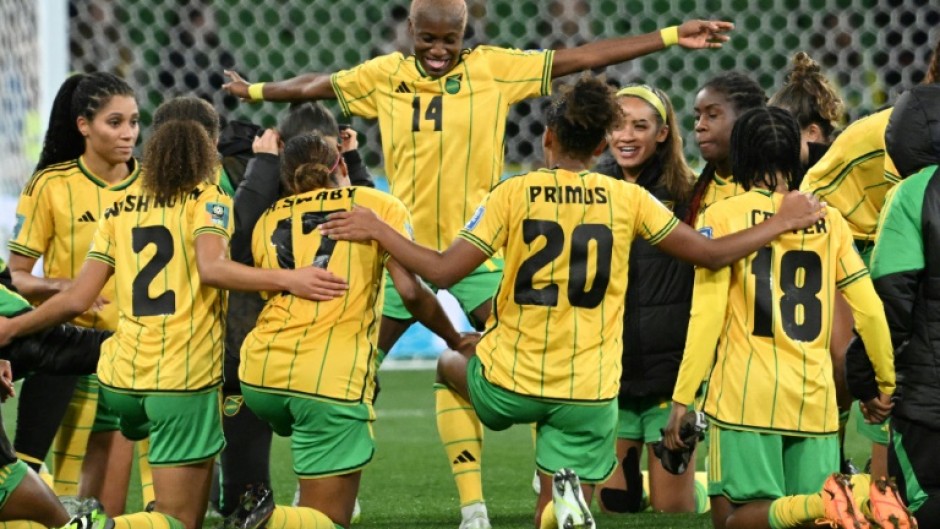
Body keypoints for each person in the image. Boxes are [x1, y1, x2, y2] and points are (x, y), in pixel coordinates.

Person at [224, 4, 734, 526]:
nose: (439, 49)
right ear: (411, 32)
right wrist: (258, 91)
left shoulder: (494, 69)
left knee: (522, 339)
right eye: (428, 39)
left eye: (450, 38)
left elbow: (579, 56)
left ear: (466, 33)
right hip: (401, 248)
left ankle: (530, 480)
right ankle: (435, 498)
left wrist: (670, 36)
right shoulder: (383, 75)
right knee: (354, 367)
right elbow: (315, 86)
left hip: (477, 254)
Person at [318, 74, 827, 529]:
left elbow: (440, 271)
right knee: (561, 499)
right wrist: (779, 221)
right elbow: (712, 256)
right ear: (604, 138)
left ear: (548, 138)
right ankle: (560, 501)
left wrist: (378, 228)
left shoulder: (513, 193)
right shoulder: (629, 200)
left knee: (453, 361)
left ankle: (475, 506)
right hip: (589, 391)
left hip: (511, 379)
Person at [0, 96, 346, 529]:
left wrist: (13, 327)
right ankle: (90, 526)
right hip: (180, 378)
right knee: (180, 520)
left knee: (163, 505)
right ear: (211, 145)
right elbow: (213, 267)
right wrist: (291, 279)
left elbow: (75, 299)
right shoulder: (209, 199)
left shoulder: (119, 206)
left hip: (122, 376)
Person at [664, 106, 911, 529]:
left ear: (740, 154)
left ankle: (831, 503)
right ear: (794, 158)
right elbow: (867, 307)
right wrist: (885, 383)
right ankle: (854, 499)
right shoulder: (826, 218)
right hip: (813, 399)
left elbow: (705, 318)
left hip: (744, 398)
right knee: (800, 518)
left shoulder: (722, 217)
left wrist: (682, 400)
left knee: (737, 518)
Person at [225, 132, 471, 529]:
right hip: (327, 378)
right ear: (340, 166)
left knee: (310, 461)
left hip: (260, 373)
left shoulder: (268, 219)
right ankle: (268, 519)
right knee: (328, 520)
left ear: (287, 179)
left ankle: (270, 512)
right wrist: (455, 338)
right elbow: (411, 292)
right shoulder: (376, 206)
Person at [216, 103, 369, 518]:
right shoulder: (363, 204)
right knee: (327, 518)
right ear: (339, 151)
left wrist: (262, 161)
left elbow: (237, 241)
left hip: (255, 357)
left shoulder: (258, 193)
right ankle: (307, 498)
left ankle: (246, 496)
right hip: (328, 363)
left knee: (241, 505)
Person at [7, 71, 148, 515]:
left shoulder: (155, 185)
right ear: (83, 125)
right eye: (115, 122)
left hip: (133, 354)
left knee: (107, 511)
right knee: (57, 500)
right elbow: (16, 277)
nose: (128, 134)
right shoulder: (51, 185)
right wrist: (64, 286)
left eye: (134, 122)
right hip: (72, 357)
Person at [591, 84, 702, 514]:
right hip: (609, 378)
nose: (626, 136)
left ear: (662, 132)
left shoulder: (691, 193)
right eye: (618, 124)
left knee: (672, 512)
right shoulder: (592, 189)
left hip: (668, 379)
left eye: (640, 125)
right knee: (617, 505)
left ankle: (698, 486)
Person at [866, 82, 940, 526]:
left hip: (927, 403)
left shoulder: (912, 193)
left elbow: (888, 300)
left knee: (922, 504)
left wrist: (867, 379)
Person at [686, 72, 767, 222]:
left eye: (712, 115)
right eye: (697, 117)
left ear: (746, 119)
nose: (700, 126)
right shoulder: (689, 194)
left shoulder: (781, 190)